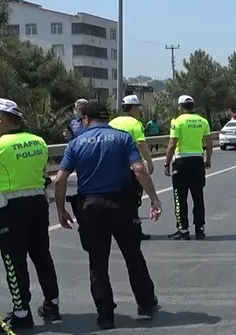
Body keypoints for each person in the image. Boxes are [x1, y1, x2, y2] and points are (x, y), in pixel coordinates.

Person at [54, 101, 161, 330]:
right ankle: (146, 303)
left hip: (90, 208)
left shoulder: (76, 143)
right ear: (106, 117)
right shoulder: (123, 138)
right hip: (122, 205)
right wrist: (154, 198)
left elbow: (60, 179)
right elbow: (139, 170)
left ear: (85, 119)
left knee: (97, 263)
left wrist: (60, 209)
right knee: (133, 256)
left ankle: (105, 315)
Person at [0, 98, 62, 330]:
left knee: (14, 261)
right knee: (42, 255)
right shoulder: (38, 141)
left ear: (0, 118)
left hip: (10, 208)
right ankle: (52, 304)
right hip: (38, 203)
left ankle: (22, 312)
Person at [164, 95, 213, 240]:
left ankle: (183, 230)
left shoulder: (177, 121)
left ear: (180, 107)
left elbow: (172, 144)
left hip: (181, 162)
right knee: (198, 196)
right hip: (198, 161)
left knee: (180, 198)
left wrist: (167, 163)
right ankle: (199, 228)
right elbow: (209, 143)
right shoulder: (203, 121)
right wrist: (208, 159)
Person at [109, 95, 154, 241]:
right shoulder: (135, 123)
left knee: (115, 197)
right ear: (133, 107)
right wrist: (149, 161)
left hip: (113, 166)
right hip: (131, 166)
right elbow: (141, 144)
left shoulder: (112, 122)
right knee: (134, 199)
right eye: (138, 107)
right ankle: (134, 230)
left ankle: (116, 230)